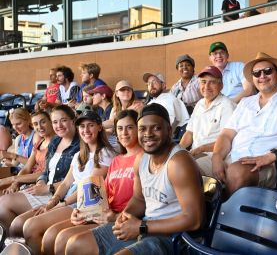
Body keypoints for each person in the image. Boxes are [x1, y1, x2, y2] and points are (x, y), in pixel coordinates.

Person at [65, 103, 204, 255]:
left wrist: (142, 226)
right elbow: (139, 199)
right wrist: (124, 216)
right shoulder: (142, 159)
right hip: (145, 227)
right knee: (76, 244)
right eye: (142, 129)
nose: (148, 134)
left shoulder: (179, 163)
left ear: (169, 130)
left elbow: (194, 220)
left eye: (156, 128)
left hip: (172, 238)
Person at [212, 52, 277, 196]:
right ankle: (197, 217)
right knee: (188, 165)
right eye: (256, 73)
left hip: (270, 165)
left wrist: (272, 156)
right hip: (232, 157)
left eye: (267, 71)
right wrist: (217, 156)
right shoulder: (244, 103)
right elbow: (226, 134)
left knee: (236, 173)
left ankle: (225, 216)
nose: (262, 76)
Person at [41, 110, 143, 255]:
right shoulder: (117, 160)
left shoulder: (143, 158)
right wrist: (82, 212)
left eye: (130, 127)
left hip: (123, 218)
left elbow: (142, 200)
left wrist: (115, 216)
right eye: (120, 128)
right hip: (103, 214)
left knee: (67, 240)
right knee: (55, 236)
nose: (124, 133)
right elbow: (100, 193)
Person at [22, 110, 114, 254]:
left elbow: (88, 188)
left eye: (90, 125)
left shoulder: (105, 153)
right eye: (82, 127)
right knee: (29, 226)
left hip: (85, 203)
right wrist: (52, 202)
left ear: (100, 127)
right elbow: (66, 183)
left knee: (36, 228)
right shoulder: (79, 154)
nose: (86, 130)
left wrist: (63, 204)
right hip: (70, 199)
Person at [0, 105, 79, 234]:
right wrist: (41, 181)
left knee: (17, 224)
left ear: (73, 120)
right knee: (2, 205)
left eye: (63, 120)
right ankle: (15, 245)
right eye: (55, 122)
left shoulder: (80, 145)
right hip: (45, 189)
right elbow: (45, 172)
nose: (59, 125)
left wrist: (49, 188)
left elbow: (73, 182)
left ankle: (22, 244)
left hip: (60, 194)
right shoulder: (55, 142)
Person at [180, 66, 236, 176]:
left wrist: (201, 149)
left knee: (185, 171)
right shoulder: (199, 104)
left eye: (212, 82)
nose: (206, 86)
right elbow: (189, 133)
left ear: (221, 86)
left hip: (215, 156)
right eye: (203, 82)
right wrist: (179, 149)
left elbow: (228, 140)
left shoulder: (227, 105)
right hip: (196, 154)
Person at [0, 111, 55, 194]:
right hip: (24, 176)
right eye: (13, 125)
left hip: (39, 181)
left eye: (18, 123)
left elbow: (46, 171)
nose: (15, 127)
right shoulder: (22, 139)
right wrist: (15, 184)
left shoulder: (39, 137)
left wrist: (14, 179)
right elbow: (26, 167)